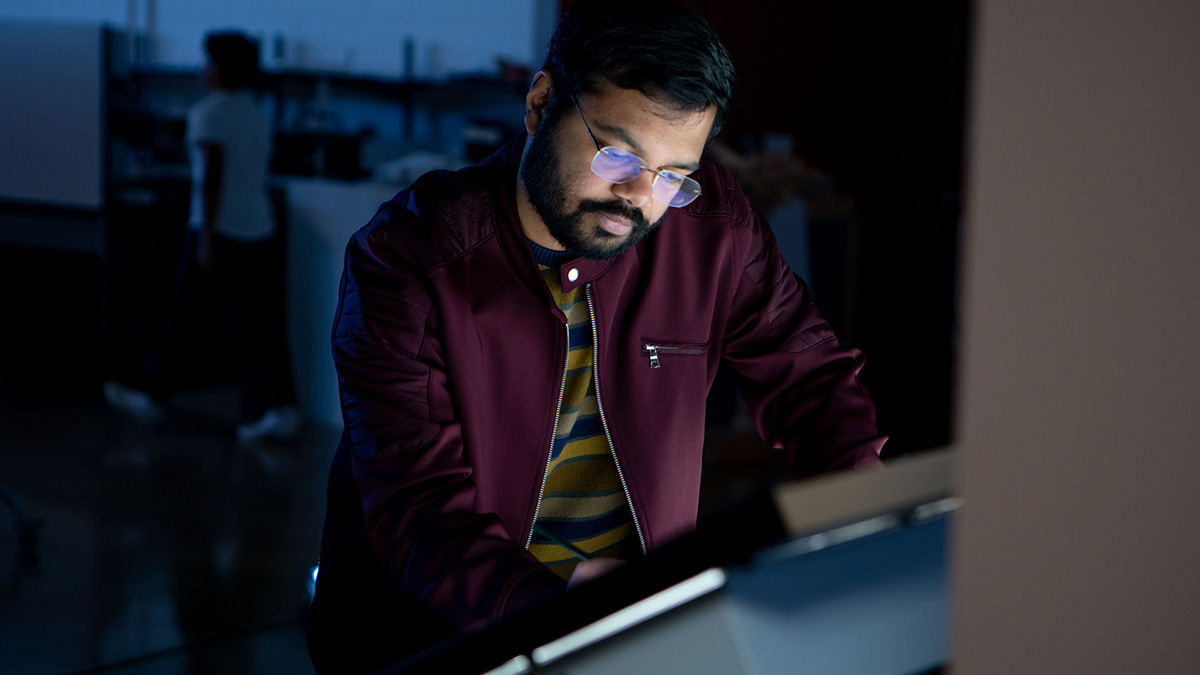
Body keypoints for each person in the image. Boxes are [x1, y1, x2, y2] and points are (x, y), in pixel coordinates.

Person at [307, 1, 885, 671]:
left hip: (631, 632)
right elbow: (418, 507)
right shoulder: (408, 257)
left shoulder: (713, 229)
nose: (641, 199)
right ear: (540, 102)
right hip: (442, 635)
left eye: (675, 177)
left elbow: (811, 379)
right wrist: (559, 610)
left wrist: (861, 527)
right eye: (617, 156)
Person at [104, 32, 299, 444]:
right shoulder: (256, 111)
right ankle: (283, 408)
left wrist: (207, 238)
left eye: (207, 61)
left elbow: (211, 179)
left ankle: (151, 398)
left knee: (182, 317)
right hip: (258, 227)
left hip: (218, 229)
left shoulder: (208, 114)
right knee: (262, 325)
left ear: (221, 67)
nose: (201, 68)